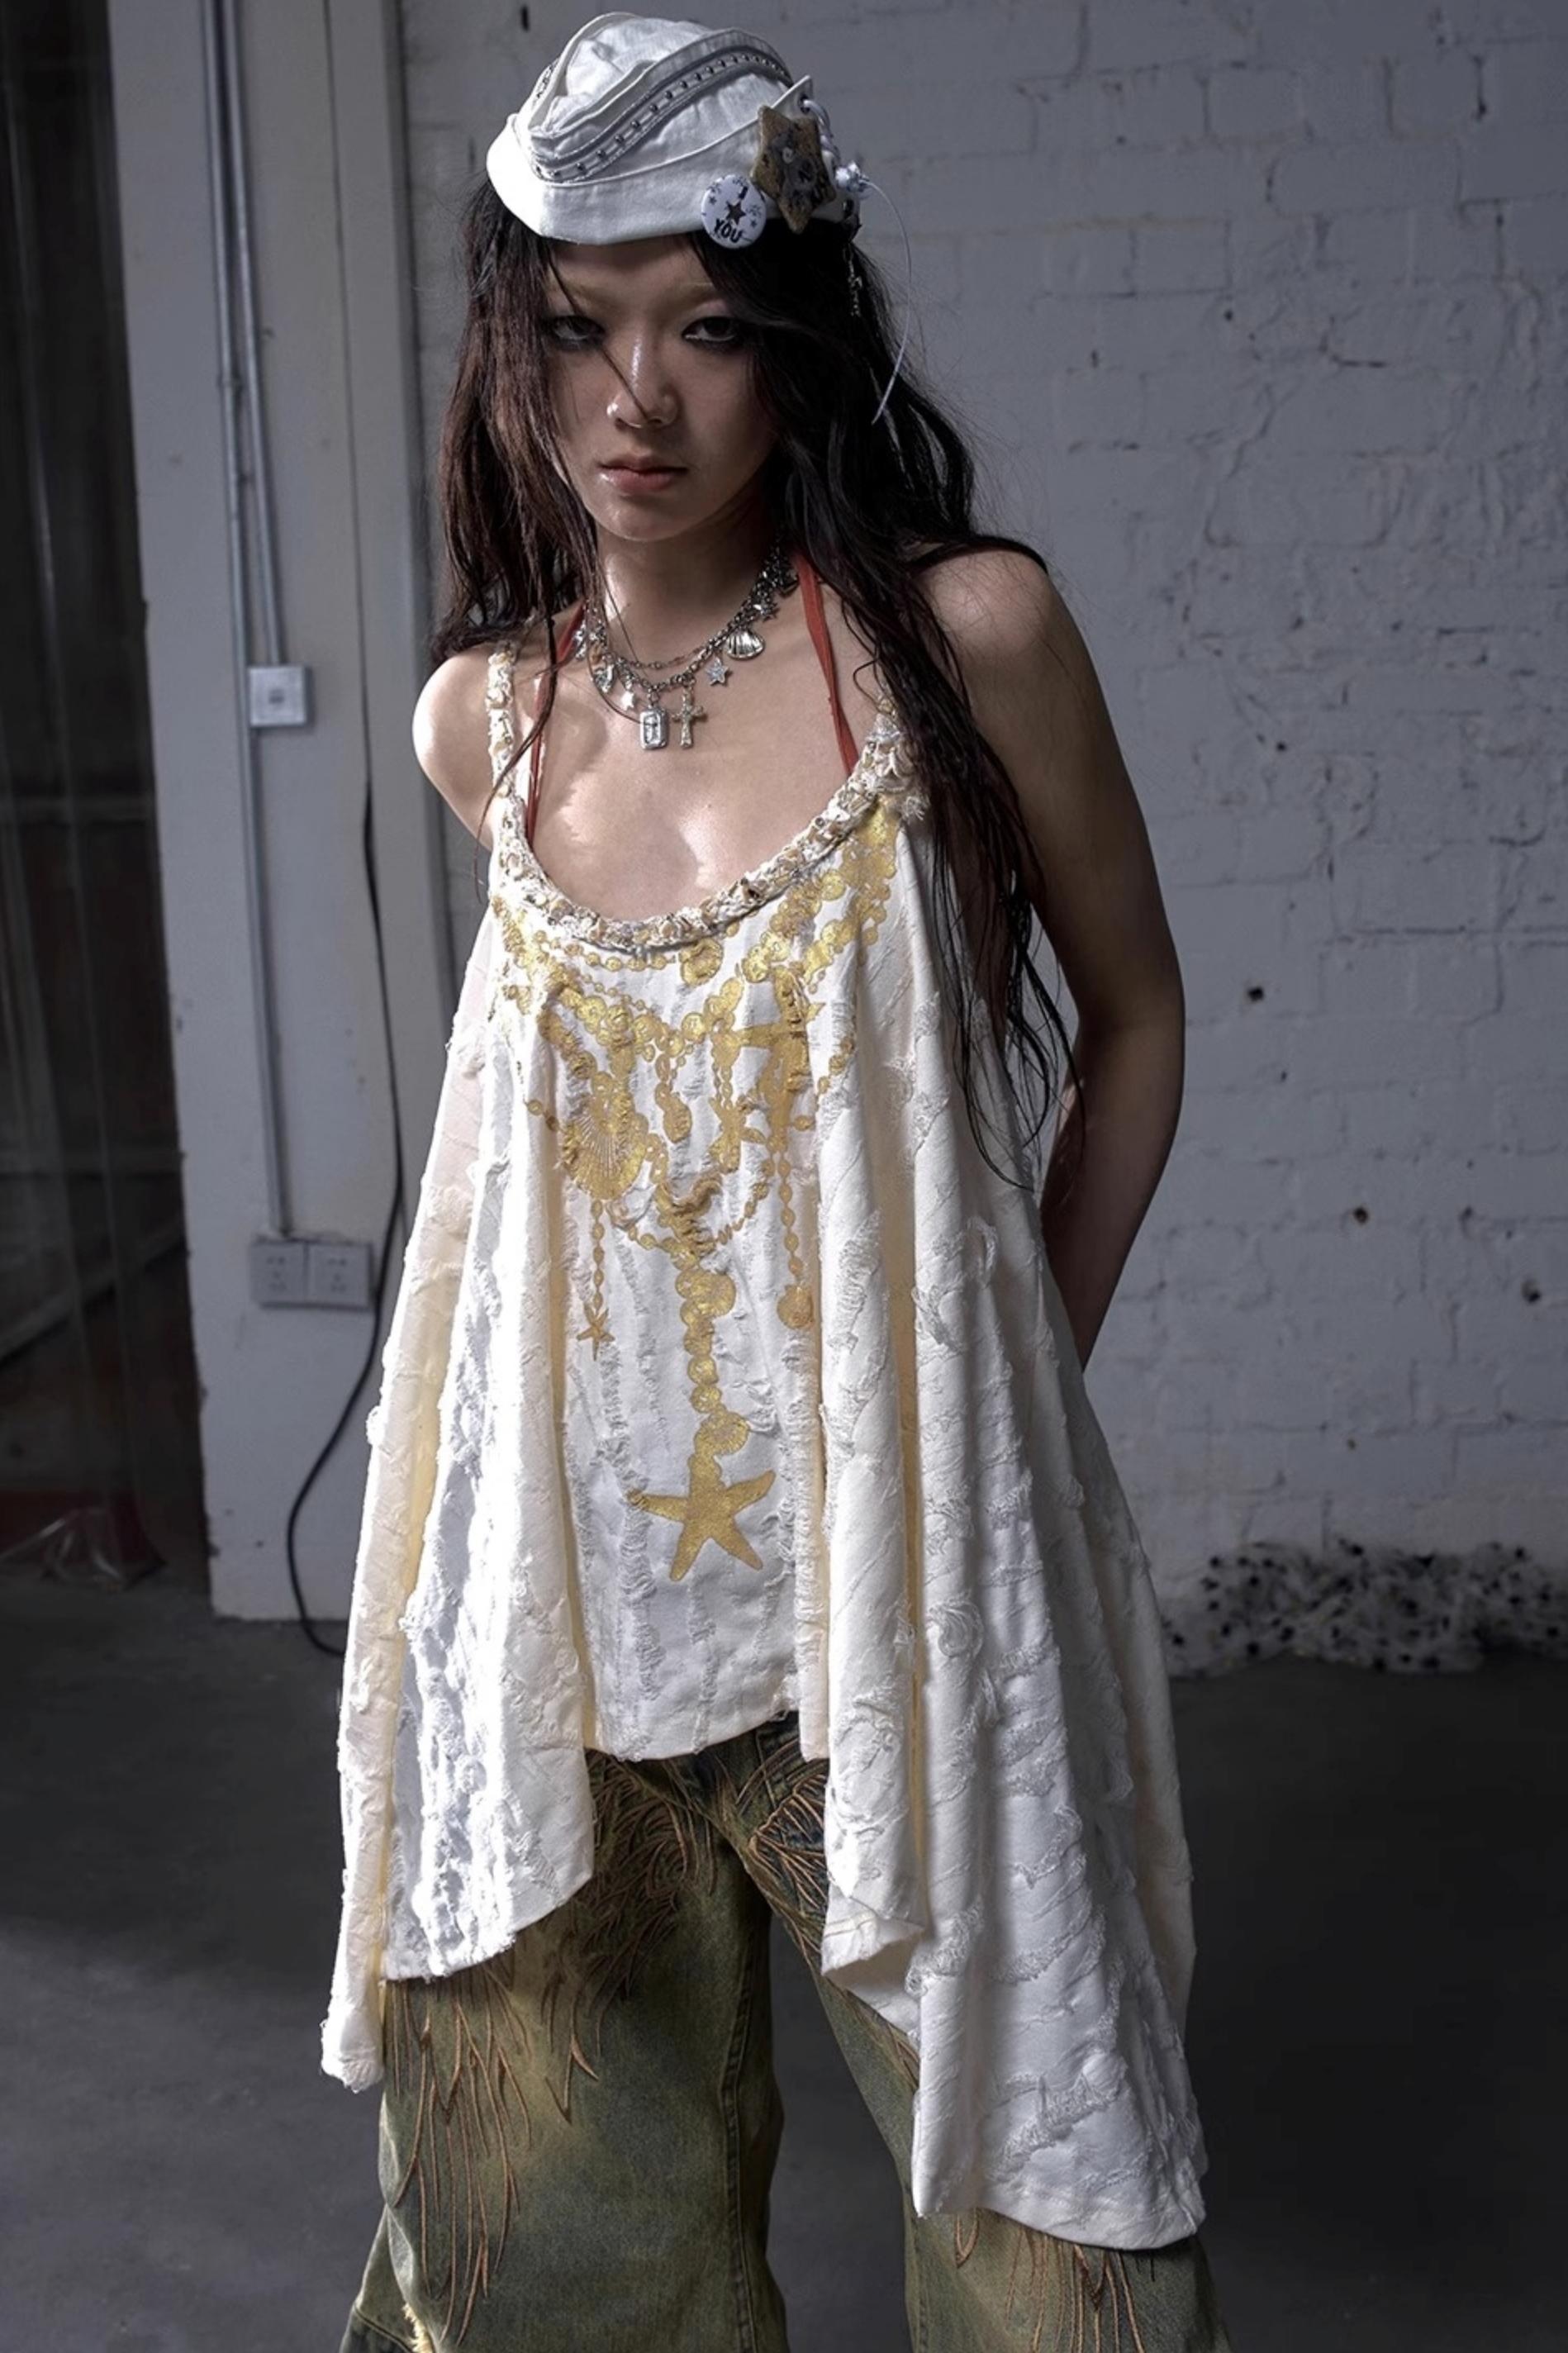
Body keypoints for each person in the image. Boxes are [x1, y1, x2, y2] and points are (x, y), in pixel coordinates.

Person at [326, 13, 1233, 2350]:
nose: (635, 399)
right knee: (563, 2263)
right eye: (575, 327)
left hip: (894, 1600)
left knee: (1055, 2237)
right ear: (506, 346)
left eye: (707, 328)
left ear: (799, 344)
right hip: (553, 1608)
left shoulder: (963, 642)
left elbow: (1136, 1022)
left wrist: (1002, 1402)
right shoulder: (482, 723)